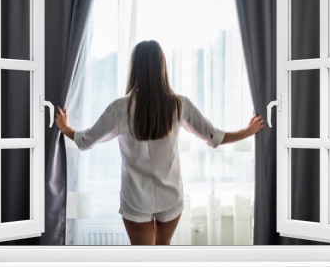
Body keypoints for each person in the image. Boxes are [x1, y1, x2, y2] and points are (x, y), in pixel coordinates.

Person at [55, 40, 264, 245]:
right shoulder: (179, 105)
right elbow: (215, 136)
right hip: (170, 197)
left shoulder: (120, 108)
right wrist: (248, 131)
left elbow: (86, 140)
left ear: (134, 68)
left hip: (136, 199)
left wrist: (66, 129)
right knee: (163, 253)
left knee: (145, 259)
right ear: (162, 67)